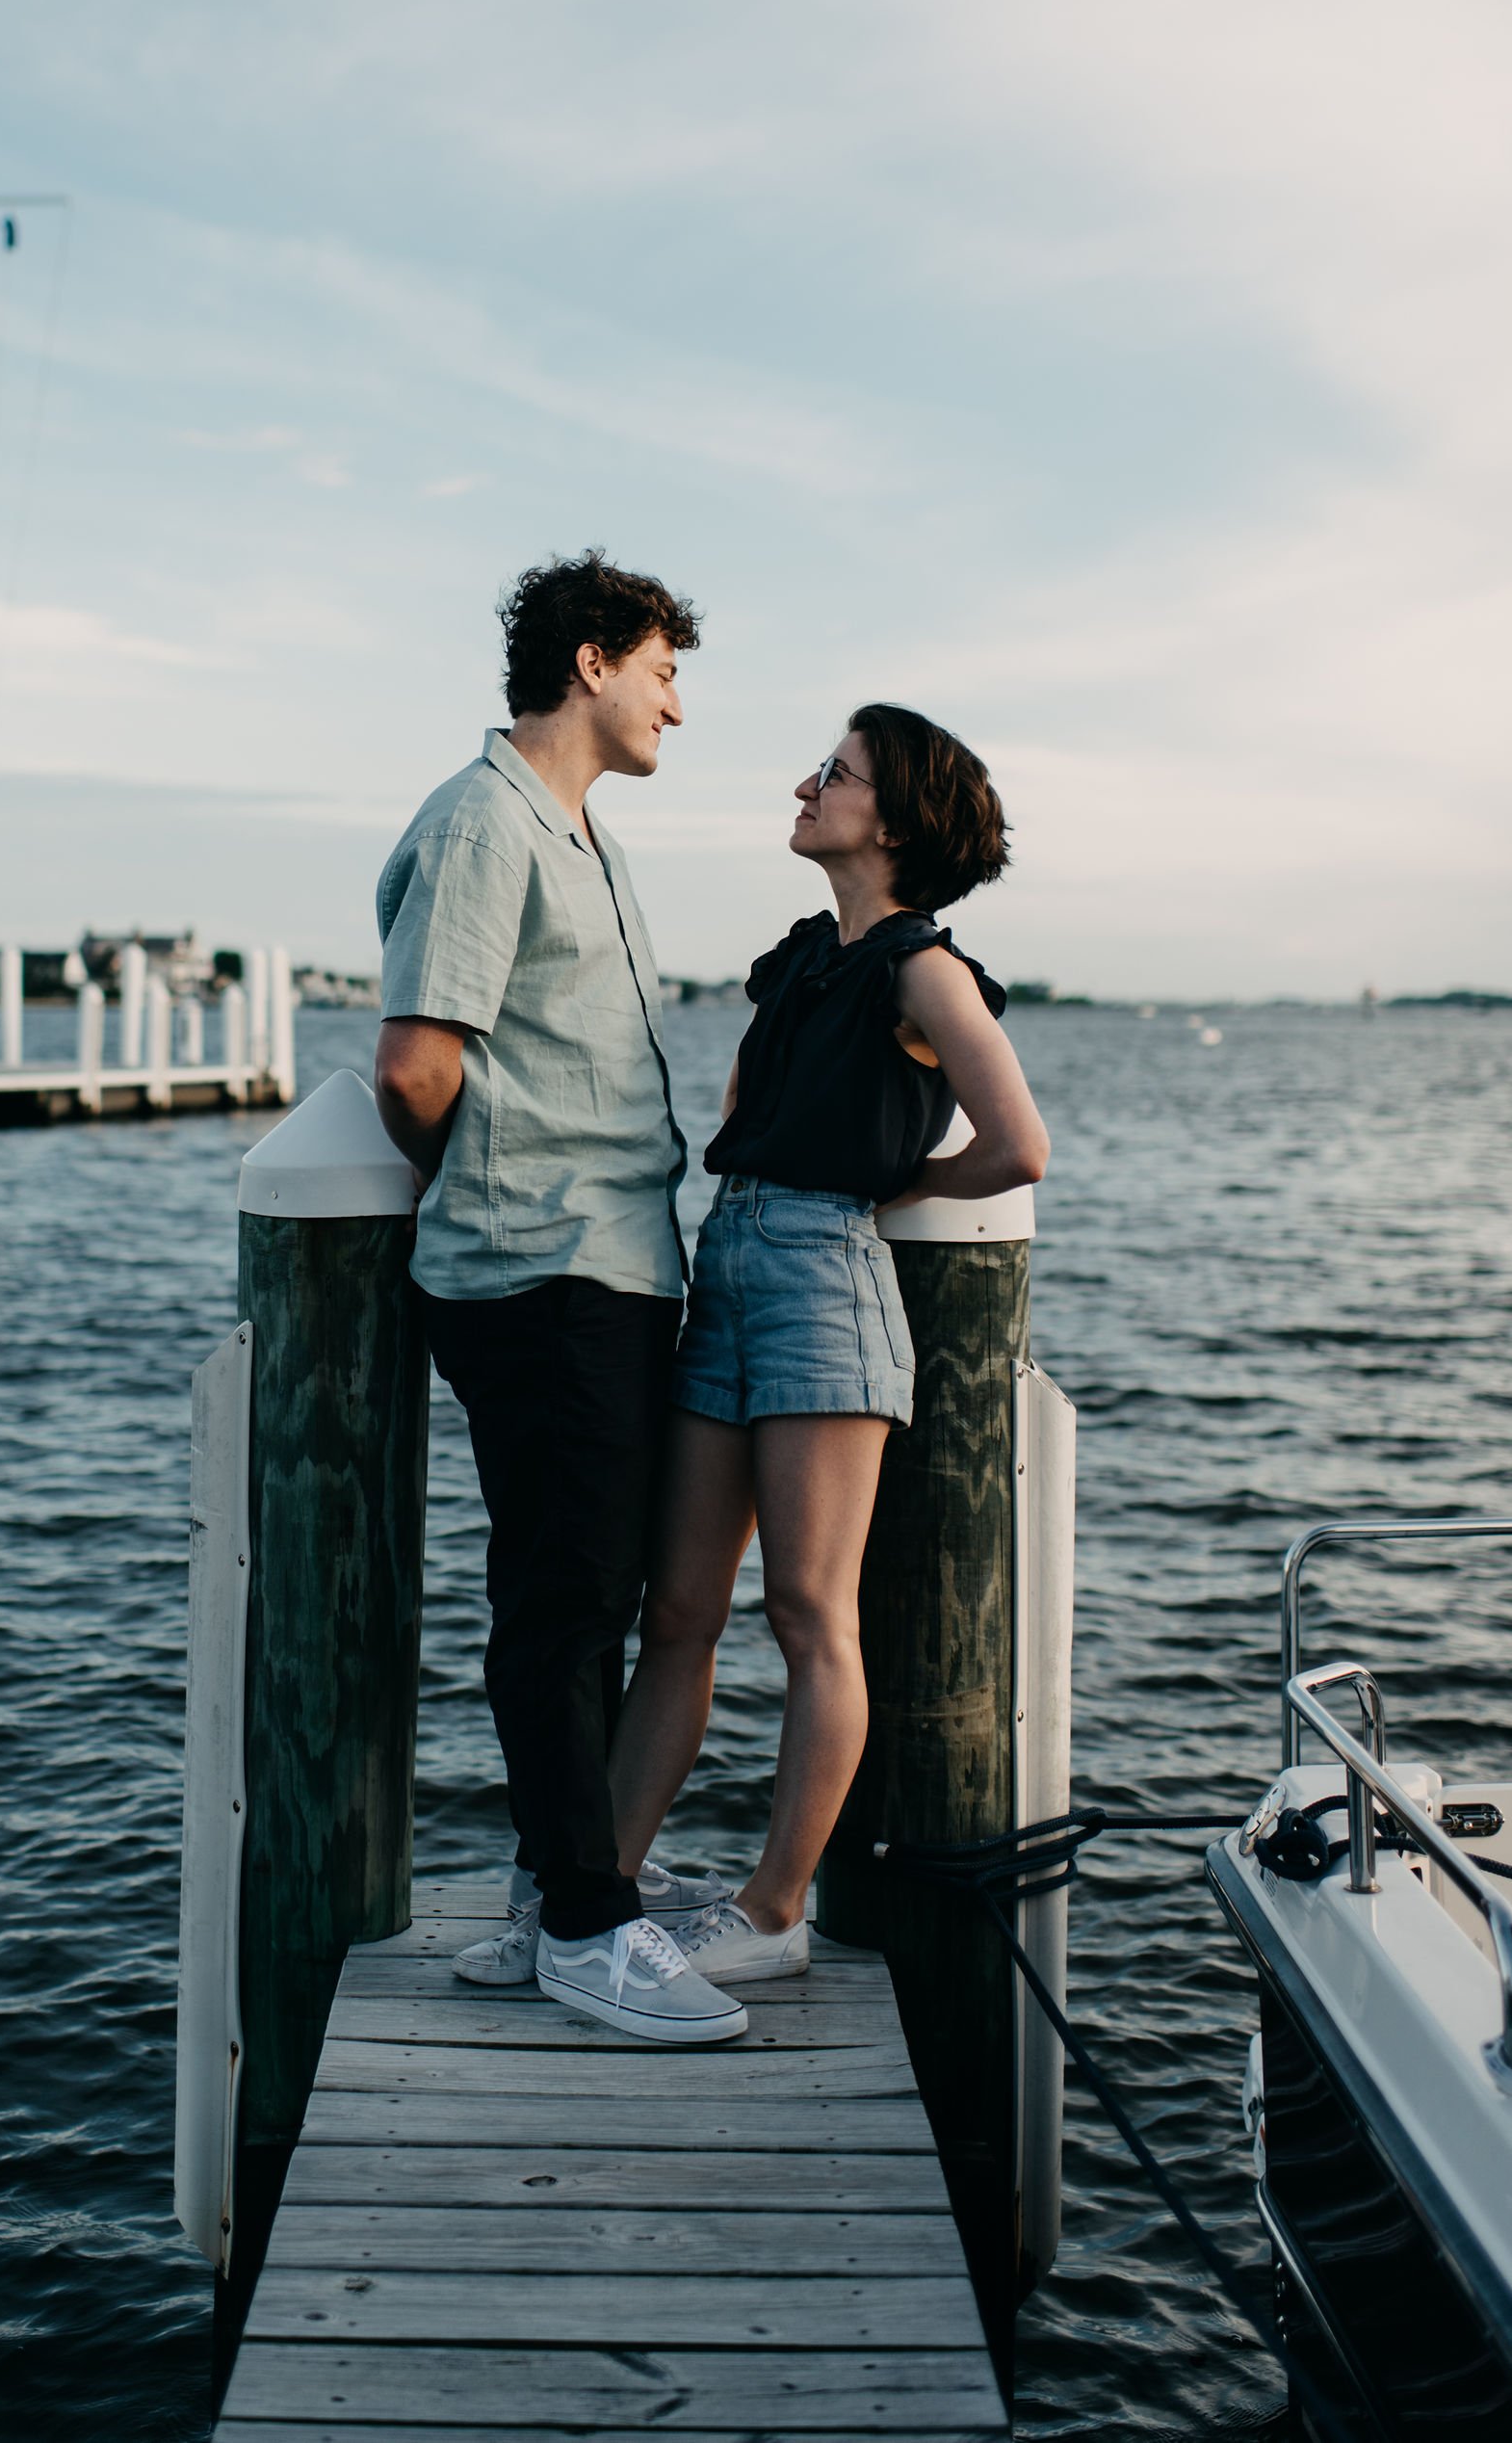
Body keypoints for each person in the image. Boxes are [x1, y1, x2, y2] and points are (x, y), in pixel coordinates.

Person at [604, 702, 1050, 1984]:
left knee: (809, 1614)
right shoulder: (802, 955)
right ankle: (601, 1892)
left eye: (835, 773)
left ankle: (772, 1912)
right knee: (678, 1610)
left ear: (895, 822)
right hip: (733, 1258)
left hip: (820, 1279)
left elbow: (1017, 1144)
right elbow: (751, 1112)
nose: (808, 785)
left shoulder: (925, 970)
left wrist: (886, 1193)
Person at [373, 552, 746, 2044]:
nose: (676, 705)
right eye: (665, 670)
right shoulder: (483, 822)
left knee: (596, 1592)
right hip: (537, 1263)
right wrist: (487, 1185)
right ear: (591, 661)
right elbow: (417, 1067)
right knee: (561, 1595)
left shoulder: (576, 832)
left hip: (609, 1264)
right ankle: (595, 1929)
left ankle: (551, 1899)